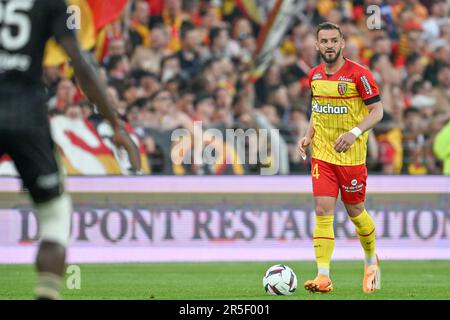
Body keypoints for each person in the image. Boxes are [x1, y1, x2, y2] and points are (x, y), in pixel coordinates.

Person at [0, 0, 140, 299]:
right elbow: (80, 62)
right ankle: (47, 295)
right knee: (54, 215)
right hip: (25, 117)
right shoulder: (50, 3)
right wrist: (115, 123)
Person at [297, 22, 384, 294]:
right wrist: (308, 135)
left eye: (334, 40)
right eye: (324, 41)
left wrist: (354, 133)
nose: (329, 45)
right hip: (322, 156)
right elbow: (317, 110)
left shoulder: (360, 75)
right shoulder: (314, 76)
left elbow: (377, 111)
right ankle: (323, 275)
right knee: (323, 211)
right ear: (317, 45)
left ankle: (371, 261)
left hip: (352, 158)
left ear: (342, 43)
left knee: (356, 213)